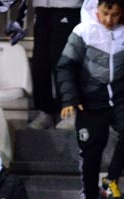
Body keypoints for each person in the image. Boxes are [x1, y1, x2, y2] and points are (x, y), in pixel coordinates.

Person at [55, 0, 124, 199]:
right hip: (89, 102)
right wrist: (69, 98)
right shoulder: (83, 31)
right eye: (105, 13)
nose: (109, 20)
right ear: (97, 9)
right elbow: (65, 65)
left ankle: (111, 179)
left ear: (122, 12)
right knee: (90, 155)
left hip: (122, 98)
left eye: (114, 15)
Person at [28, 0, 82, 129]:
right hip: (42, 6)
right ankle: (44, 111)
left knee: (63, 61)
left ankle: (71, 111)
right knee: (40, 63)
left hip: (69, 7)